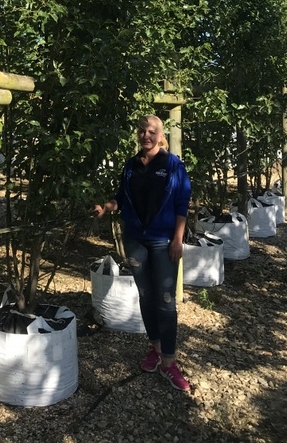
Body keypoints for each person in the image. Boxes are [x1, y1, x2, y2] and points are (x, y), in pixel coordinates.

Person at [94, 114, 192, 391]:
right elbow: (121, 197)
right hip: (136, 238)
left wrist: (178, 239)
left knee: (165, 299)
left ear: (161, 136)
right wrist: (108, 206)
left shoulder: (173, 165)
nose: (146, 135)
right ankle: (155, 347)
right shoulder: (130, 165)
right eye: (142, 131)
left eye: (152, 131)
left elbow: (182, 203)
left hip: (163, 241)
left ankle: (169, 363)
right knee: (146, 295)